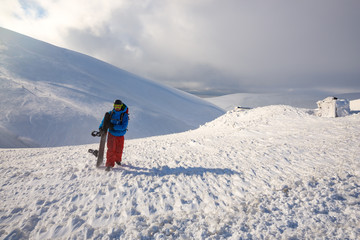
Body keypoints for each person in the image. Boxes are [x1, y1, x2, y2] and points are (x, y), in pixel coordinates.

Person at [99, 99, 129, 171]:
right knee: (111, 149)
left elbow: (123, 126)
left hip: (120, 135)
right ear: (114, 106)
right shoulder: (110, 113)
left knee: (119, 149)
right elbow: (104, 121)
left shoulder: (124, 115)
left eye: (119, 106)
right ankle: (109, 164)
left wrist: (112, 126)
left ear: (121, 106)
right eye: (116, 106)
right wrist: (101, 127)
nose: (117, 107)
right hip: (111, 134)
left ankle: (118, 160)